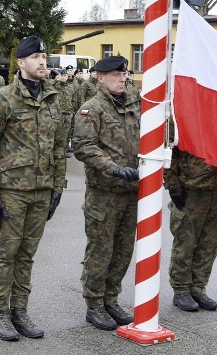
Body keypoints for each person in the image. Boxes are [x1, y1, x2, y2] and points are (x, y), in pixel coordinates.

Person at [0, 35, 67, 342]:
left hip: (41, 192)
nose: (43, 61)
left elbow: (58, 148)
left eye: (45, 56)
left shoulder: (53, 98)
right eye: (37, 57)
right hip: (11, 192)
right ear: (21, 63)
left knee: (27, 255)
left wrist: (58, 188)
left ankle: (20, 311)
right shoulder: (1, 99)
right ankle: (0, 314)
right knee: (6, 255)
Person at [72, 55, 140, 330]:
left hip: (133, 191)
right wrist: (113, 168)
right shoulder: (92, 109)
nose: (122, 78)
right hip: (104, 192)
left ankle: (111, 299)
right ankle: (94, 304)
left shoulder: (136, 106)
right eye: (115, 74)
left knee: (123, 250)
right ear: (100, 78)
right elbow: (84, 147)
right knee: (101, 250)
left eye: (124, 74)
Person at [165, 142, 217, 312]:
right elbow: (169, 149)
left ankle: (198, 288)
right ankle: (181, 290)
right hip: (191, 189)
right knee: (186, 242)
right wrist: (172, 184)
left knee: (210, 243)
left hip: (216, 188)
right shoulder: (186, 117)